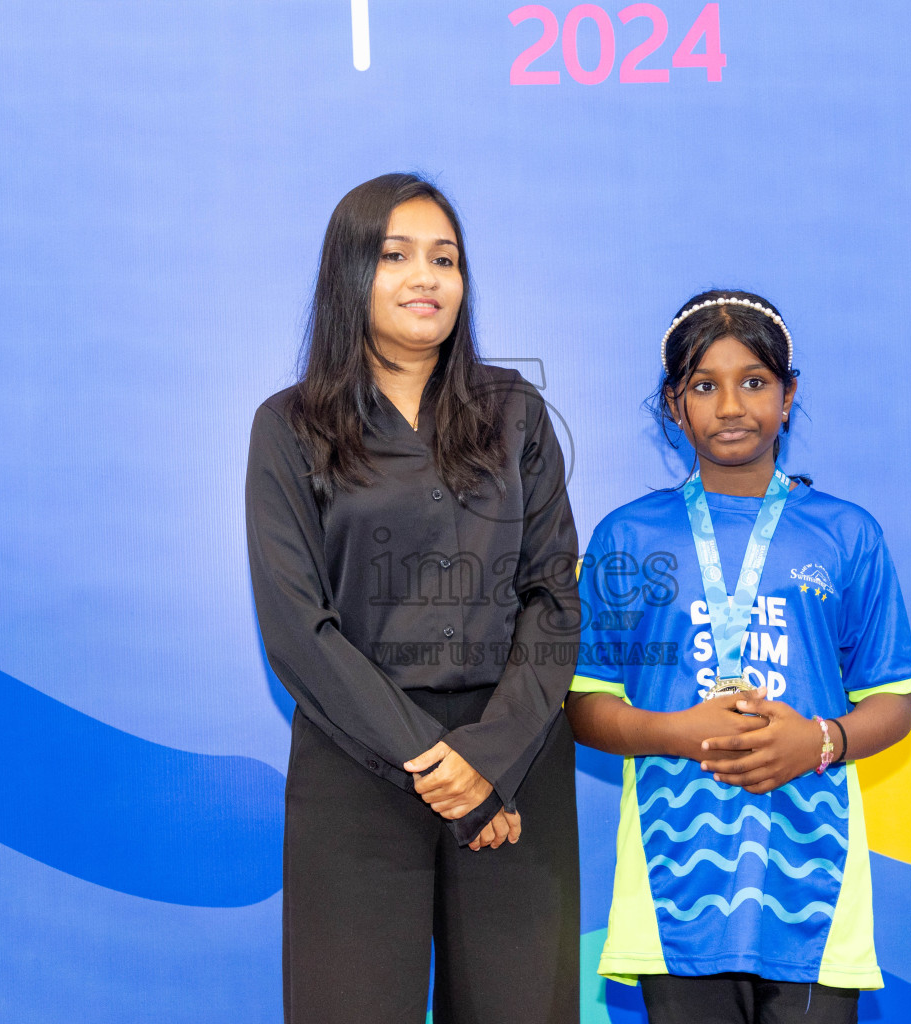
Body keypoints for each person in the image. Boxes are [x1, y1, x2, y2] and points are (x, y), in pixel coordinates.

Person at [245, 173, 580, 1023]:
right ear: (349, 275)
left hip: (513, 769)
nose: (426, 278)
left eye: (445, 258)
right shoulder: (289, 427)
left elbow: (552, 598)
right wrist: (437, 765)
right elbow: (297, 628)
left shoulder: (516, 414)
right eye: (396, 256)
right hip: (356, 768)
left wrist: (488, 760)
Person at [566, 290, 911, 1024]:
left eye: (754, 381)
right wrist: (683, 732)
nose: (731, 405)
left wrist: (819, 740)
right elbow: (584, 705)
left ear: (789, 397)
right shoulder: (627, 538)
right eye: (705, 385)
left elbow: (892, 703)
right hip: (676, 890)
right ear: (674, 405)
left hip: (811, 882)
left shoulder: (848, 535)